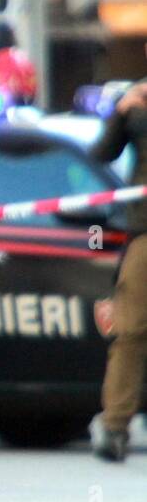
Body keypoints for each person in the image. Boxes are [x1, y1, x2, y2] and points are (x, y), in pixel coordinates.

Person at [92, 54, 147, 462]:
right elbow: (101, 154)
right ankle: (115, 426)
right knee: (130, 328)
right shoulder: (136, 100)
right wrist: (121, 112)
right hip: (144, 233)